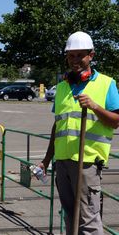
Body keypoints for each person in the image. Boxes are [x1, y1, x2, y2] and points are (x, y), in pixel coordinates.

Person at [39, 31, 119, 235]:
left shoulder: (106, 84)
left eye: (80, 55)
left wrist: (94, 107)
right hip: (63, 162)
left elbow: (116, 121)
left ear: (91, 55)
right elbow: (57, 126)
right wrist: (47, 160)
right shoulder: (63, 87)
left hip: (87, 163)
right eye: (71, 56)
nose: (75, 60)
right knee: (69, 216)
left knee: (88, 219)